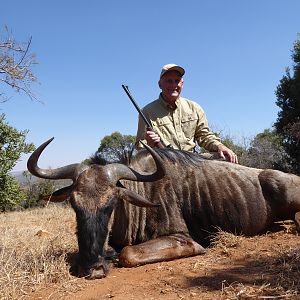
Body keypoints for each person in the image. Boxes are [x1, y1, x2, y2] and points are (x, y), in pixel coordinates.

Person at [136, 63, 238, 163]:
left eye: (177, 81)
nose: (173, 85)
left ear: (182, 84)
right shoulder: (146, 112)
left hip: (192, 160)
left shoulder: (195, 108)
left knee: (225, 157)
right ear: (160, 84)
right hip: (163, 162)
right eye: (168, 81)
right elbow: (140, 146)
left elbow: (204, 136)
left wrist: (220, 146)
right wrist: (149, 143)